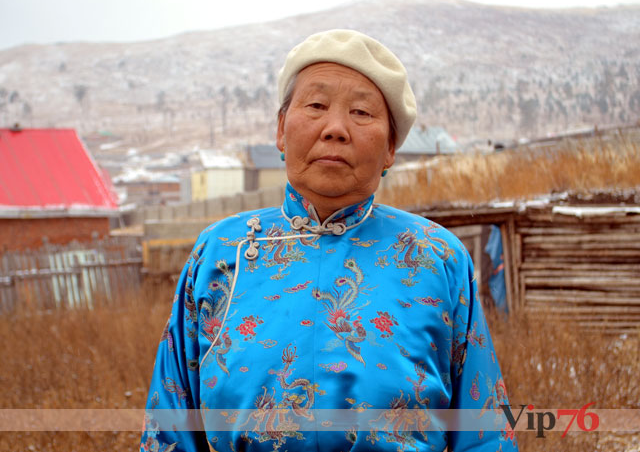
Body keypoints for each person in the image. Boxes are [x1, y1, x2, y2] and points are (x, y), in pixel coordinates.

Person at [141, 29, 518, 452]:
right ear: (282, 130)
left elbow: (485, 434)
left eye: (361, 112)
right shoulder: (219, 253)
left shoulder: (437, 259)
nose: (336, 128)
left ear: (391, 147)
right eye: (316, 105)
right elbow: (168, 432)